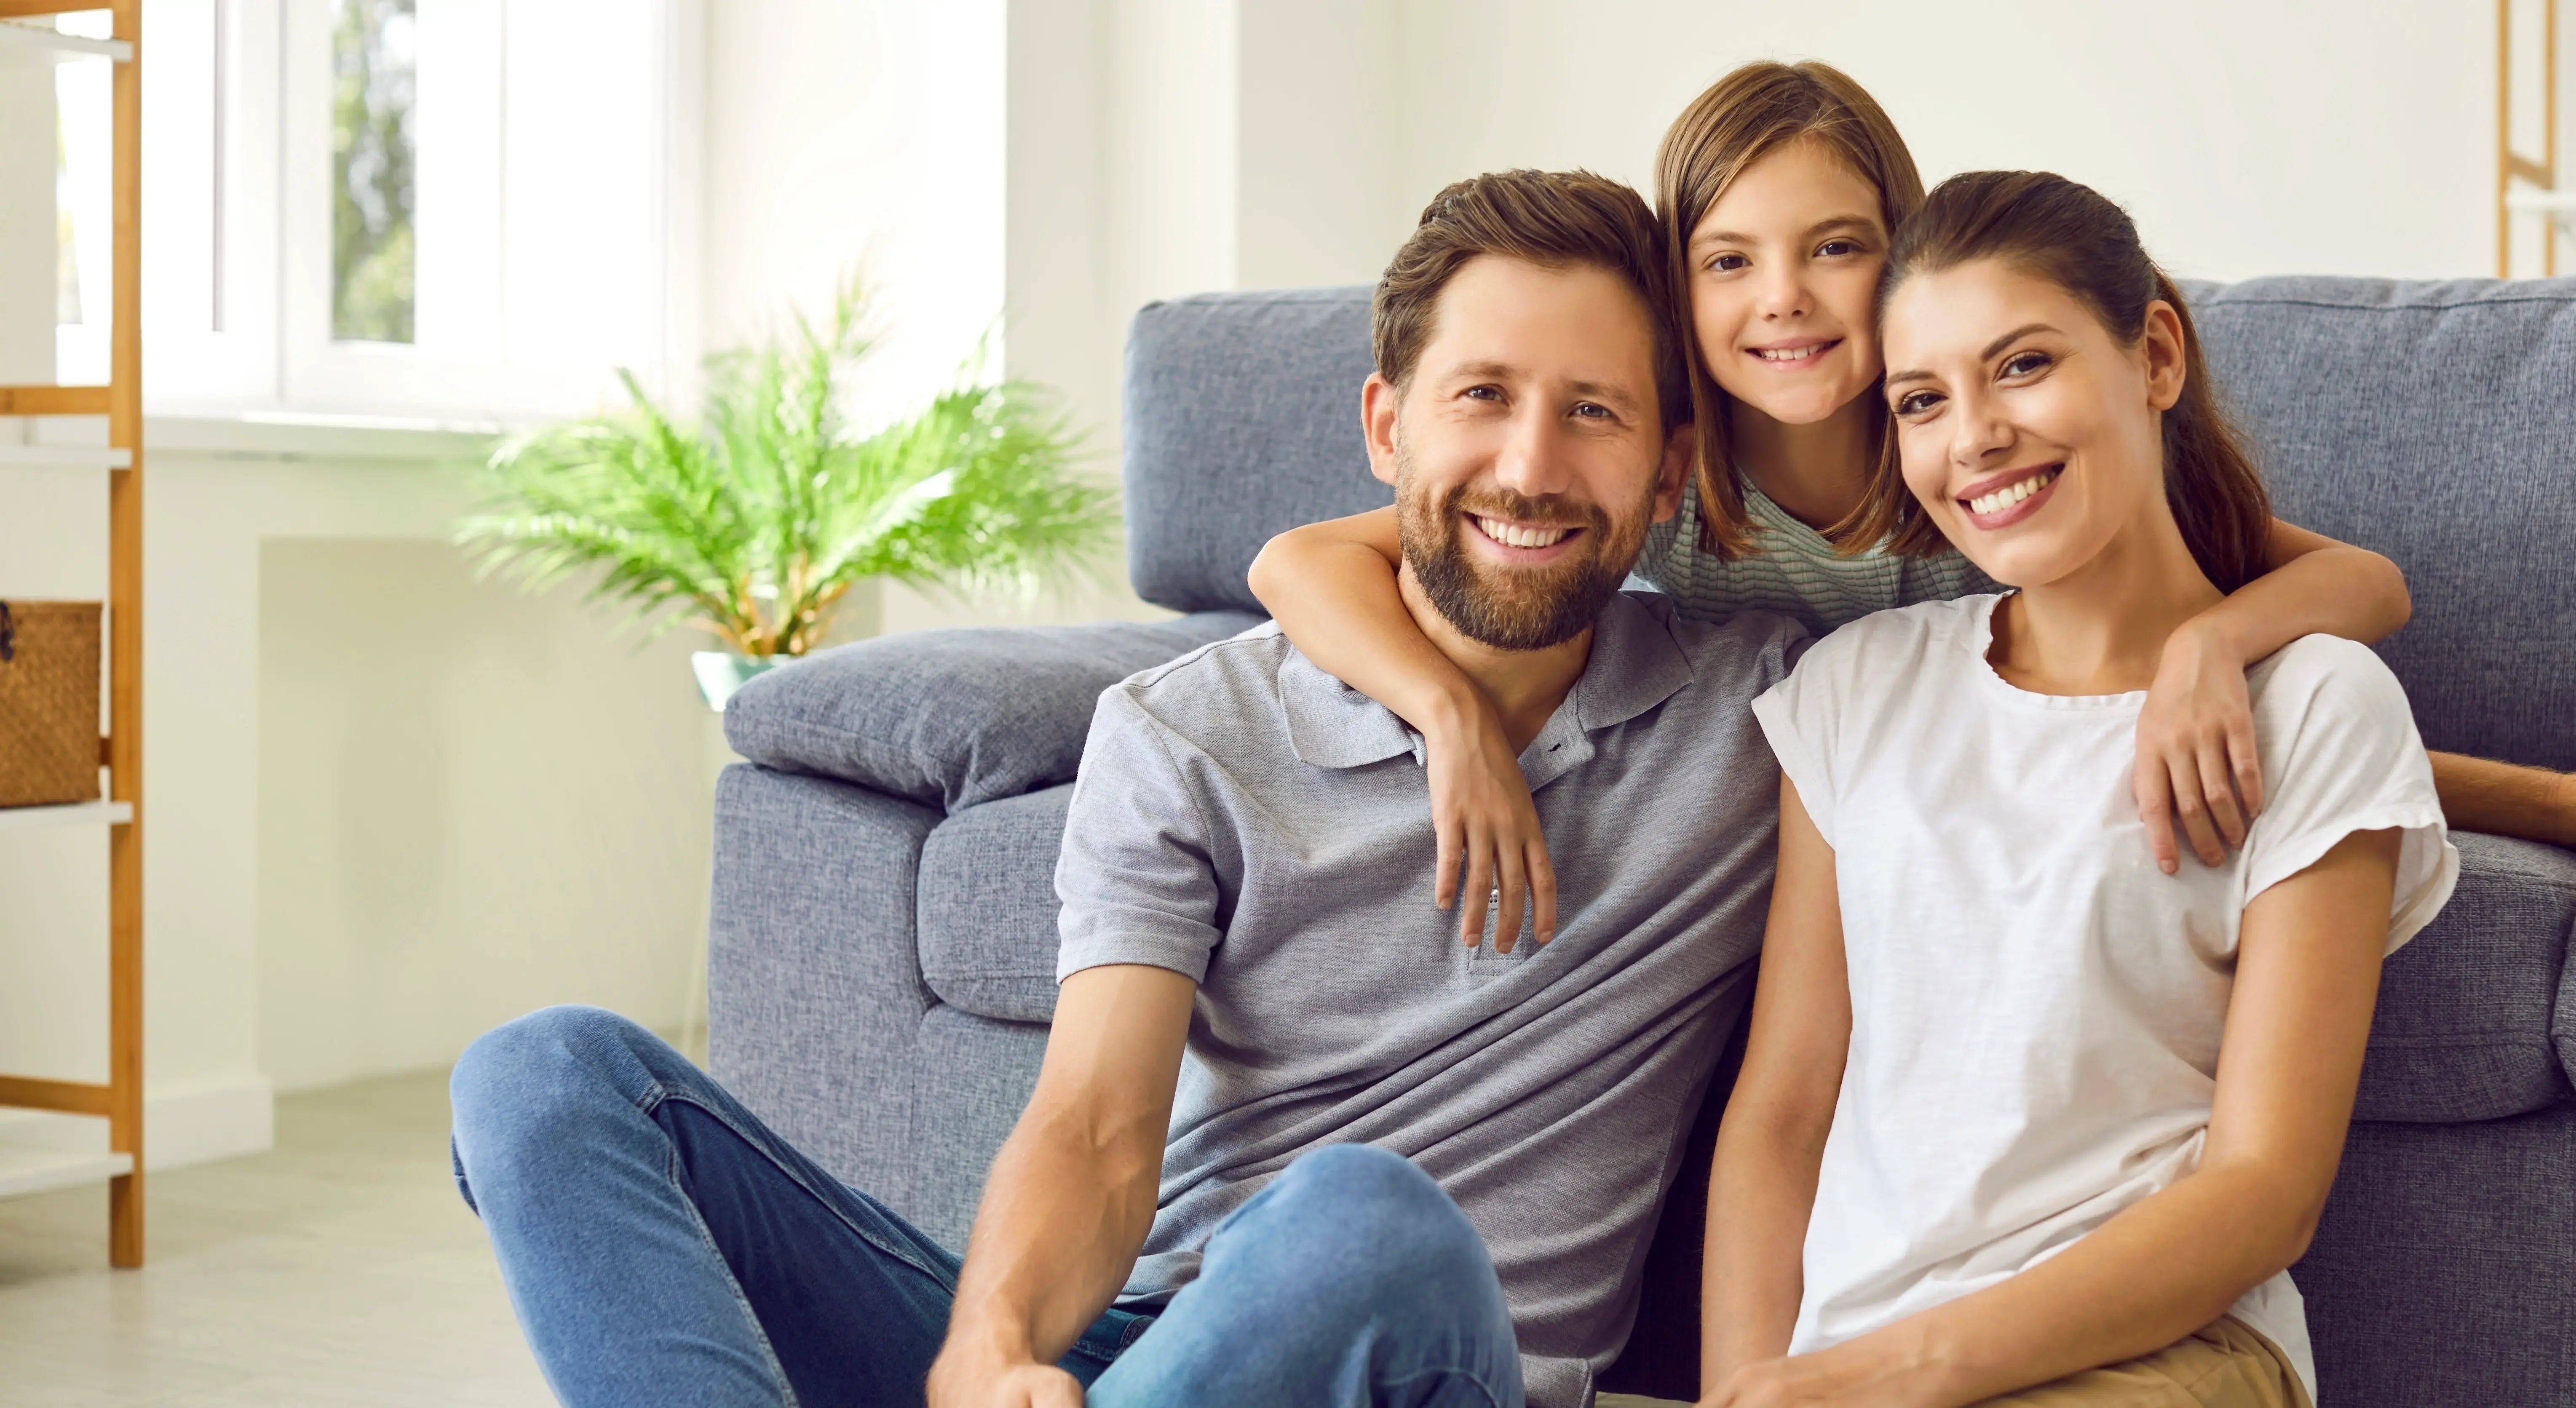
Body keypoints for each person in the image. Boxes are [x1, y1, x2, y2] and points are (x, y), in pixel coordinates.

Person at [450, 168, 1806, 1408]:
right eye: (1483, 397)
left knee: (1361, 1216)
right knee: (550, 1073)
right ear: (1386, 429)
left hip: (1436, 1355)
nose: (1529, 466)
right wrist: (991, 1346)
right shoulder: (1188, 728)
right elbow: (1099, 1126)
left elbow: (1963, 541)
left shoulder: (1766, 714)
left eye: (1594, 413)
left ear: (1673, 463)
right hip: (1154, 1348)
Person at [1248, 60, 2576, 954]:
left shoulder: (1979, 469)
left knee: (2196, 710)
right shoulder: (1655, 478)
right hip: (1798, 819)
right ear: (1681, 284)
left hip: (2026, 771)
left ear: (1907, 256)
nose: (1784, 304)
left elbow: (2363, 587)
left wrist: (2211, 647)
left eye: (1838, 249)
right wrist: (1449, 719)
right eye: (1730, 261)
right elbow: (1297, 558)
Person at [1701, 170, 2457, 1408]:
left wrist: (1901, 1375)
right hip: (1841, 1365)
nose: (1975, 438)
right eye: (1922, 401)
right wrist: (1753, 1389)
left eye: (2023, 366)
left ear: (2156, 354)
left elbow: (2268, 1191)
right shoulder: (1851, 691)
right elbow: (1784, 1111)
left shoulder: (2321, 705)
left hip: (2164, 1356)